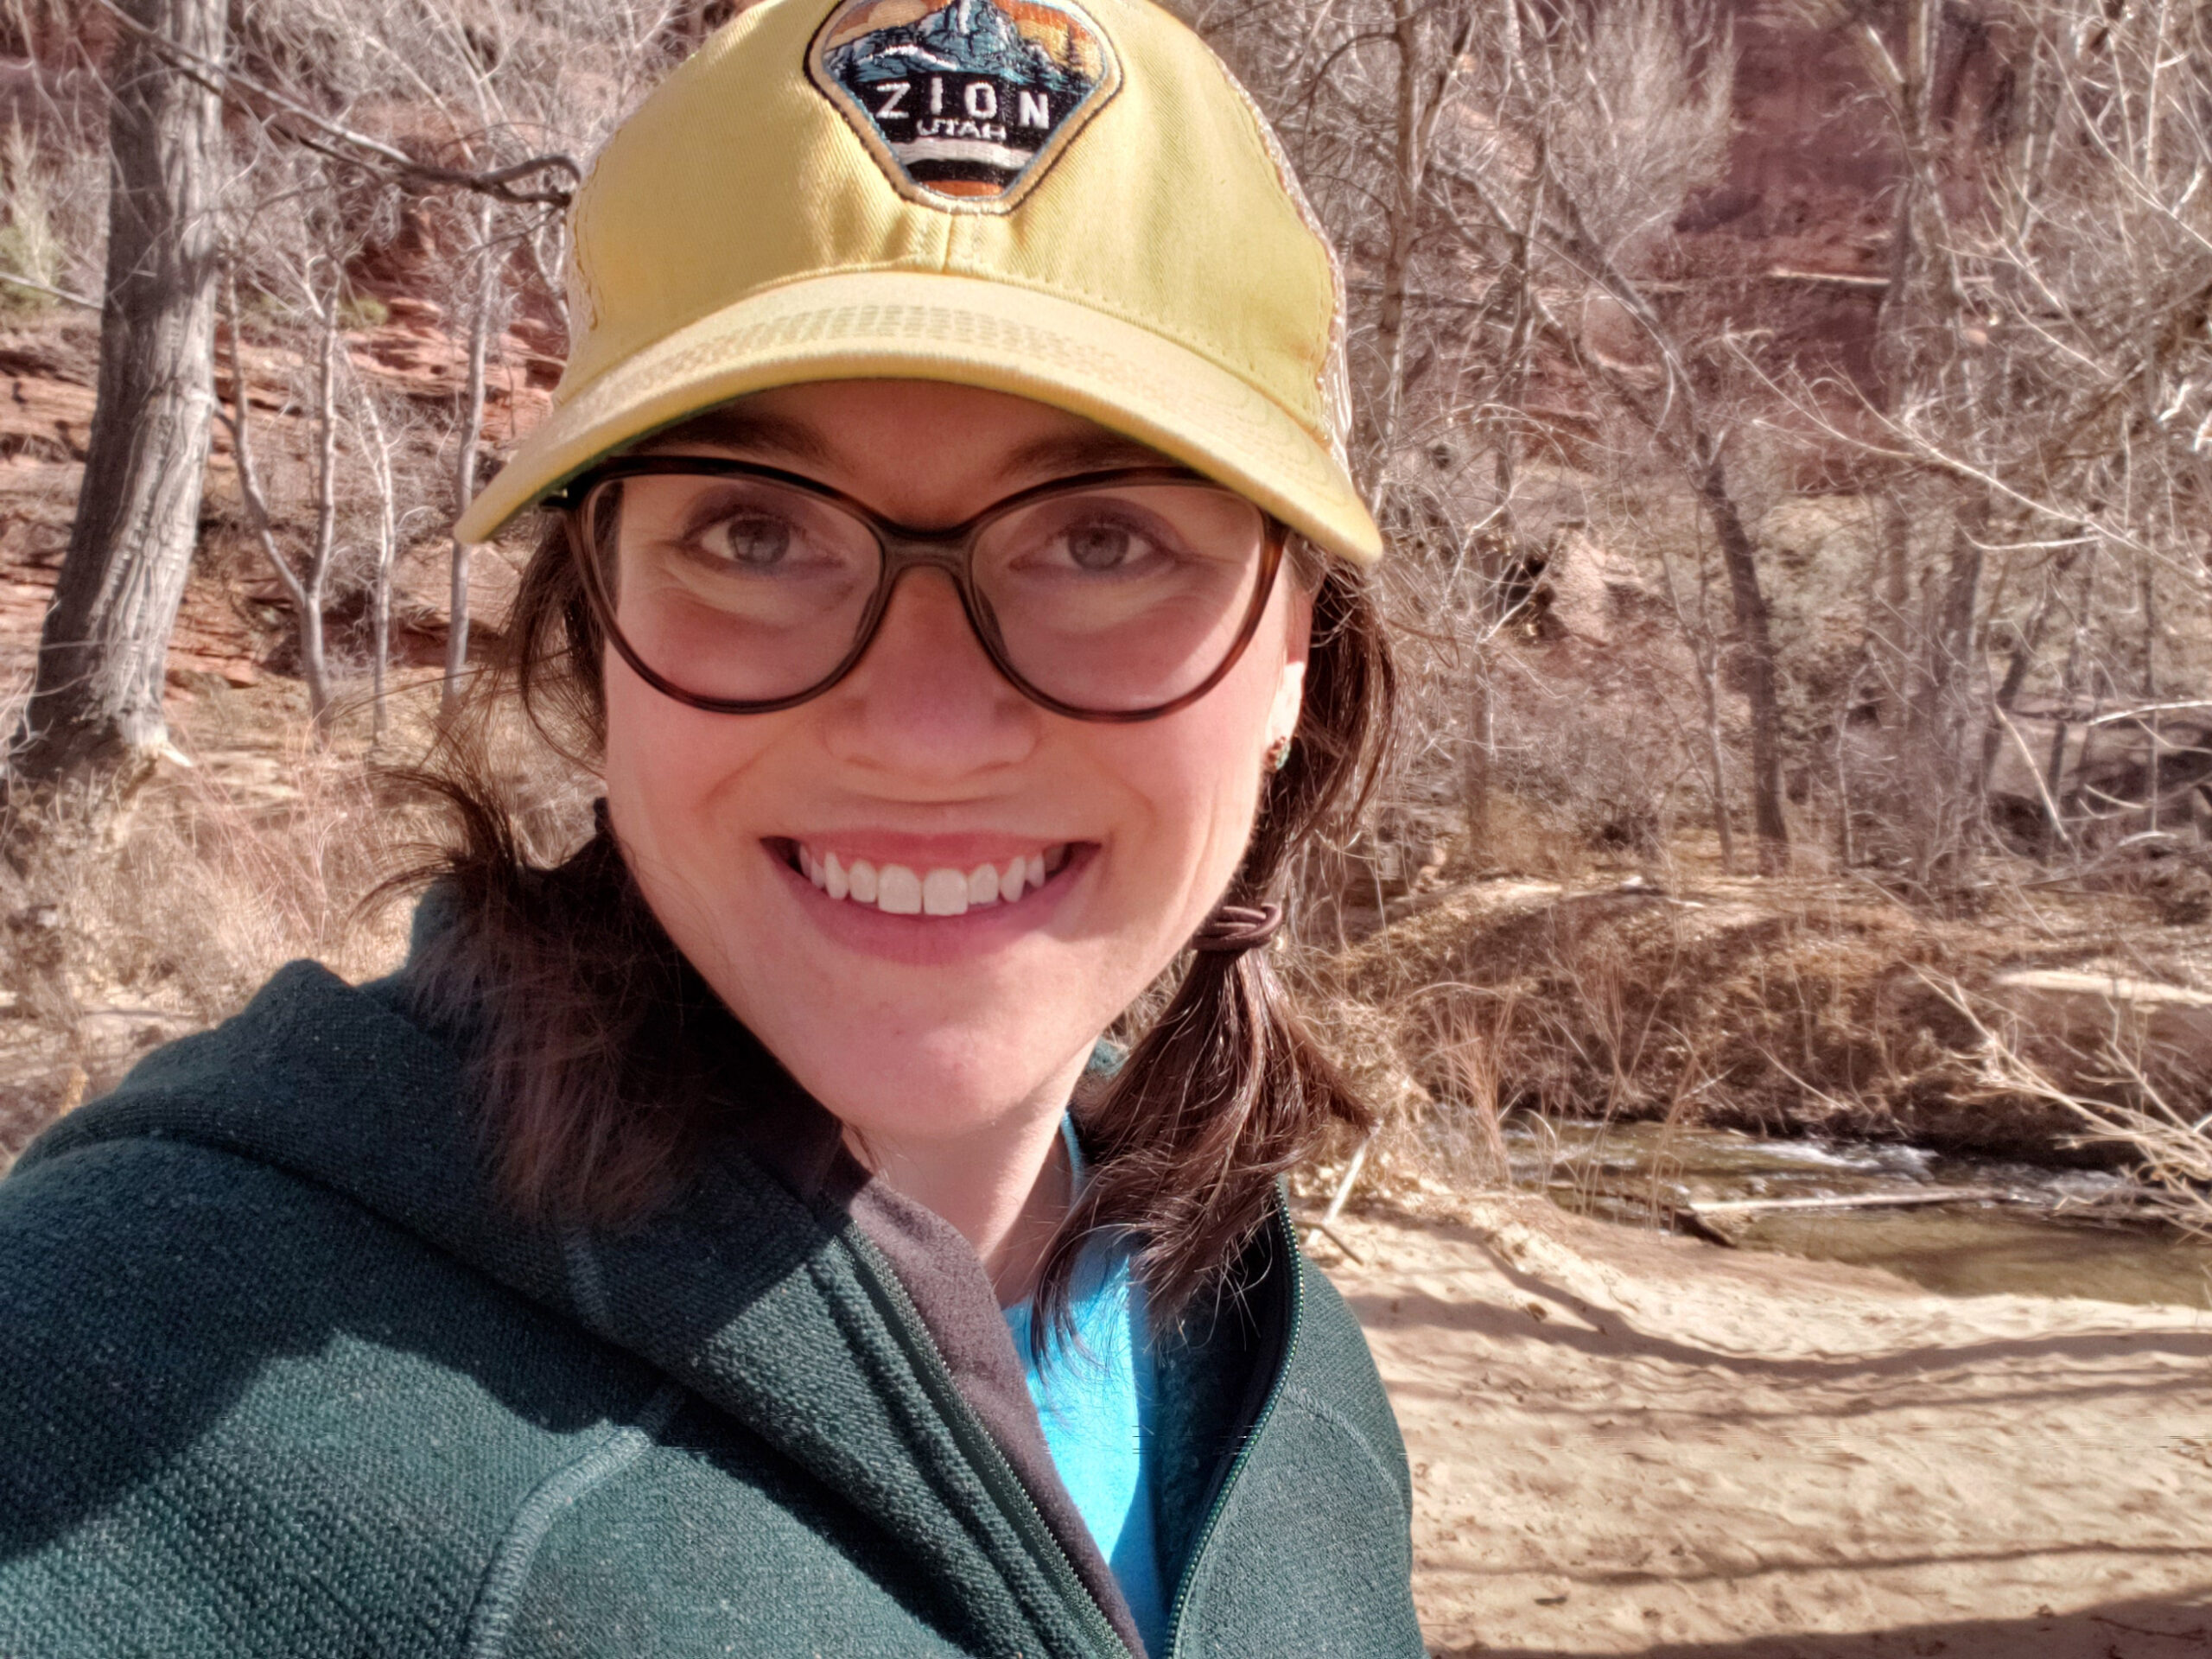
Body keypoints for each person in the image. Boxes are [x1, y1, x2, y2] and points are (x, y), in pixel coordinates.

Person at [0, 0, 1422, 1653]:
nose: (923, 727)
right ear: (593, 625)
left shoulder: (1279, 1366)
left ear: (1298, 661)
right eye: (755, 531)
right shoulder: (117, 1368)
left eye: (1103, 541)